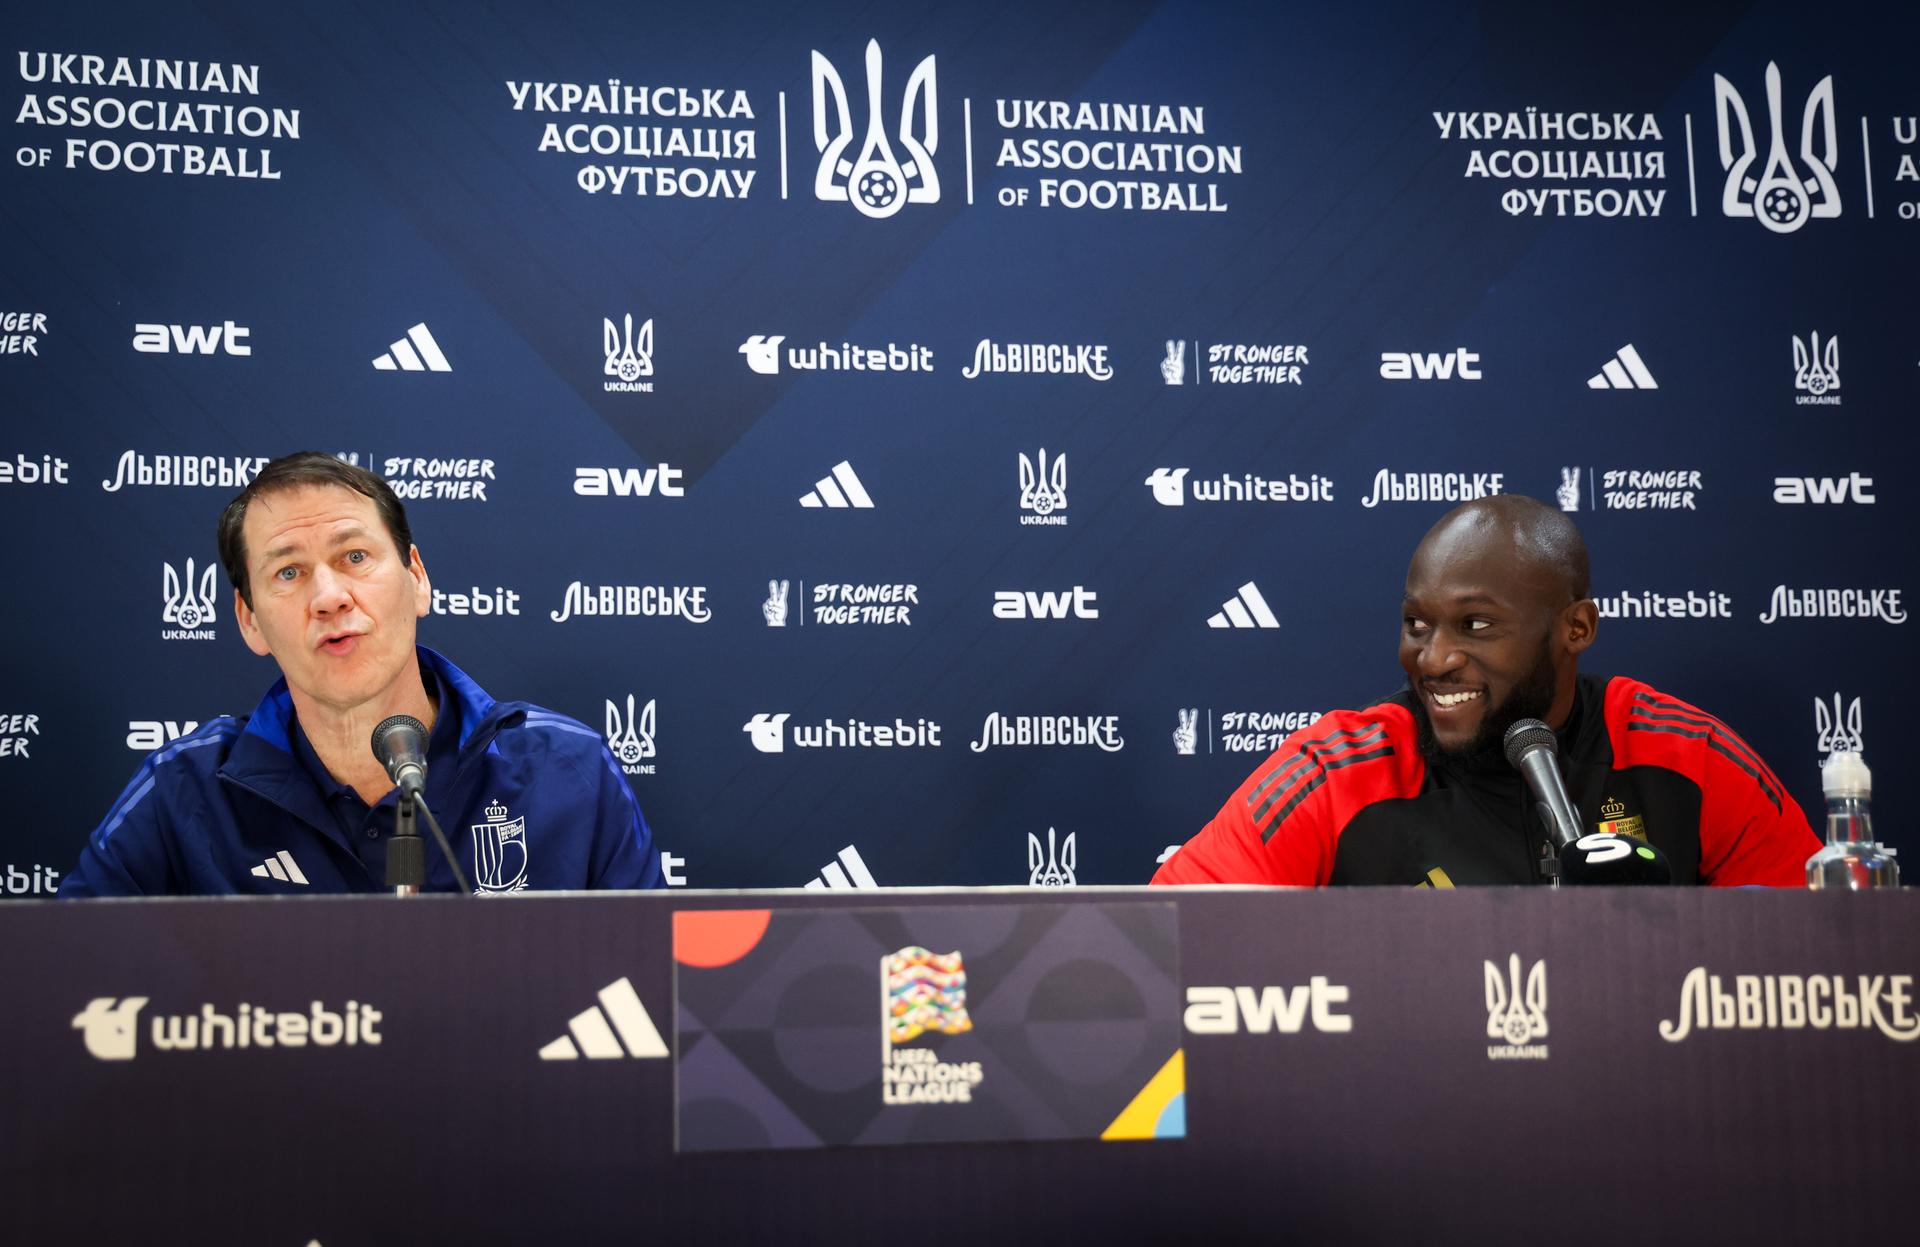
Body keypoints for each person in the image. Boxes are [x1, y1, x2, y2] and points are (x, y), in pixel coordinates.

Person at [62, 453, 661, 896]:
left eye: (354, 557)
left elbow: (654, 1005)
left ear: (417, 577)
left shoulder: (568, 771)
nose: (329, 597)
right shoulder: (184, 791)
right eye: (289, 573)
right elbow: (56, 1005)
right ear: (249, 621)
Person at [1153, 495, 1818, 887]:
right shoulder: (1337, 771)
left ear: (1576, 627)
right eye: (1418, 624)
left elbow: (1833, 957)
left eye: (1476, 624)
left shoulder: (1683, 753)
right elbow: (1169, 940)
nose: (1434, 658)